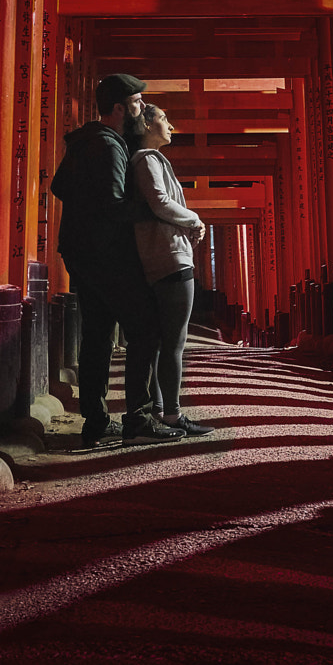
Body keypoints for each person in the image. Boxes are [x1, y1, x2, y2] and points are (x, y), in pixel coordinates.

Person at [49, 74, 182, 446]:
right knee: (145, 329)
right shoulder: (108, 145)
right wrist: (155, 212)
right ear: (121, 107)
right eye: (138, 103)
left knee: (97, 337)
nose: (142, 110)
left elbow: (59, 187)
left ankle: (95, 421)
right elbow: (112, 206)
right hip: (105, 254)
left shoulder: (84, 140)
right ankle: (138, 419)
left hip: (77, 252)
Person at [129, 103, 215, 437]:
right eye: (164, 119)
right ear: (147, 124)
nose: (171, 125)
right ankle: (172, 414)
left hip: (162, 256)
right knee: (174, 343)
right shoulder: (147, 159)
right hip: (170, 259)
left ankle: (161, 411)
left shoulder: (146, 160)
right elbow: (160, 202)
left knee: (162, 342)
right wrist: (194, 219)